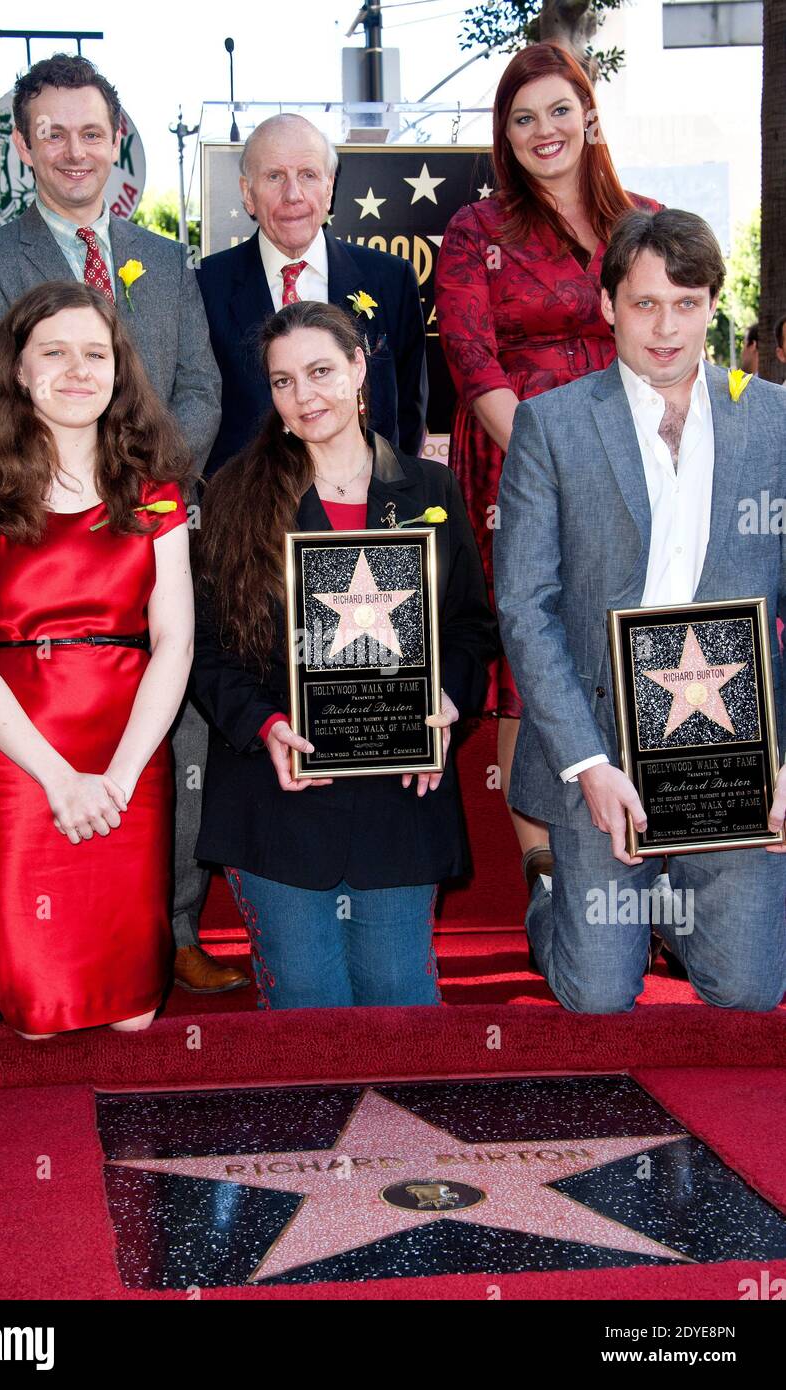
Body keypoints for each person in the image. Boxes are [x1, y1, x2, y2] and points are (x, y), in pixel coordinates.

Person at [0, 52, 242, 997]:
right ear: (24, 147)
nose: (75, 151)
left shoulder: (164, 259)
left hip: (151, 519)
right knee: (35, 725)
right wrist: (66, 491)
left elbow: (202, 386)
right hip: (36, 534)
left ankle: (172, 928)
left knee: (174, 737)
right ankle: (29, 935)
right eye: (54, 134)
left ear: (119, 143)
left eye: (92, 132)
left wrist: (137, 479)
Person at [494, 207, 786, 1015]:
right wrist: (587, 765)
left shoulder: (775, 422)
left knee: (750, 989)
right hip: (603, 737)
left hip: (736, 738)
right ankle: (552, 887)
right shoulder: (552, 425)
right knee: (595, 998)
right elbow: (524, 605)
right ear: (606, 306)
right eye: (645, 303)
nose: (665, 327)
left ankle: (670, 911)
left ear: (712, 307)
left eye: (686, 303)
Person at [190, 301, 497, 1009]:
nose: (305, 397)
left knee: (398, 1000)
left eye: (321, 371)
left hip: (399, 793)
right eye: (283, 381)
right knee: (307, 1003)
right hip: (280, 794)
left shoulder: (430, 490)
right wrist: (266, 728)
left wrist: (446, 698)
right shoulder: (234, 495)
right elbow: (208, 654)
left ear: (359, 368)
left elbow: (471, 627)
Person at [0, 281, 195, 1039]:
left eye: (95, 354)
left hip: (129, 754)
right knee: (38, 1016)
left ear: (118, 371)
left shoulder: (157, 495)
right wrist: (57, 778)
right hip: (14, 759)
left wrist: (119, 775)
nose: (78, 370)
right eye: (54, 352)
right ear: (18, 370)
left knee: (134, 1016)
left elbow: (173, 641)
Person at [435, 42, 661, 894]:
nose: (543, 130)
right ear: (504, 134)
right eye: (522, 117)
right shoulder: (474, 231)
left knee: (632, 638)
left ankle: (657, 843)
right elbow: (471, 361)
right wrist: (553, 467)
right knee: (527, 654)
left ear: (589, 116)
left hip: (636, 468)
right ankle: (545, 869)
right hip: (516, 468)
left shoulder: (645, 221)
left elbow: (673, 346)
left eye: (559, 110)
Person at [196, 113, 428, 477]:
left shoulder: (390, 279)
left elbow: (409, 414)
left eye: (308, 175)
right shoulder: (203, 286)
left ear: (329, 187)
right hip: (246, 515)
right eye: (275, 177)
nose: (293, 195)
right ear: (247, 193)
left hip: (363, 515)